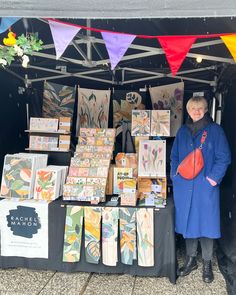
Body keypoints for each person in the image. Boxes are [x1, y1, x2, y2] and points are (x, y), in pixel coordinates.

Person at [170, 96, 231, 283]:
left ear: (205, 110)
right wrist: (175, 176)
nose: (196, 111)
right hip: (185, 186)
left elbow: (224, 157)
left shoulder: (215, 131)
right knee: (189, 224)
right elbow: (174, 157)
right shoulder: (182, 131)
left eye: (200, 108)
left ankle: (206, 263)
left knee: (207, 226)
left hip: (205, 188)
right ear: (187, 111)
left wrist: (212, 180)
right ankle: (190, 260)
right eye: (193, 108)